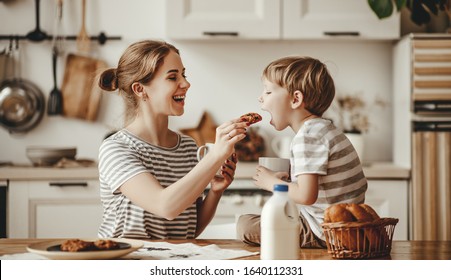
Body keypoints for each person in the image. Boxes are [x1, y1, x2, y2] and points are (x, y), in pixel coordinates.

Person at [97, 40, 248, 239]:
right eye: (172, 77)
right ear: (140, 89)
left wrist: (215, 191)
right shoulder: (116, 149)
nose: (186, 84)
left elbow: (187, 228)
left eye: (183, 75)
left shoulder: (186, 147)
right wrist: (216, 155)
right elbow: (165, 206)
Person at [237, 56, 368, 248]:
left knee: (245, 225)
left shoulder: (307, 137)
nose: (260, 97)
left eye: (268, 91)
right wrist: (287, 181)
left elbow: (306, 195)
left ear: (296, 99)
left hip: (323, 232)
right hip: (343, 228)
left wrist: (272, 183)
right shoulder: (325, 129)